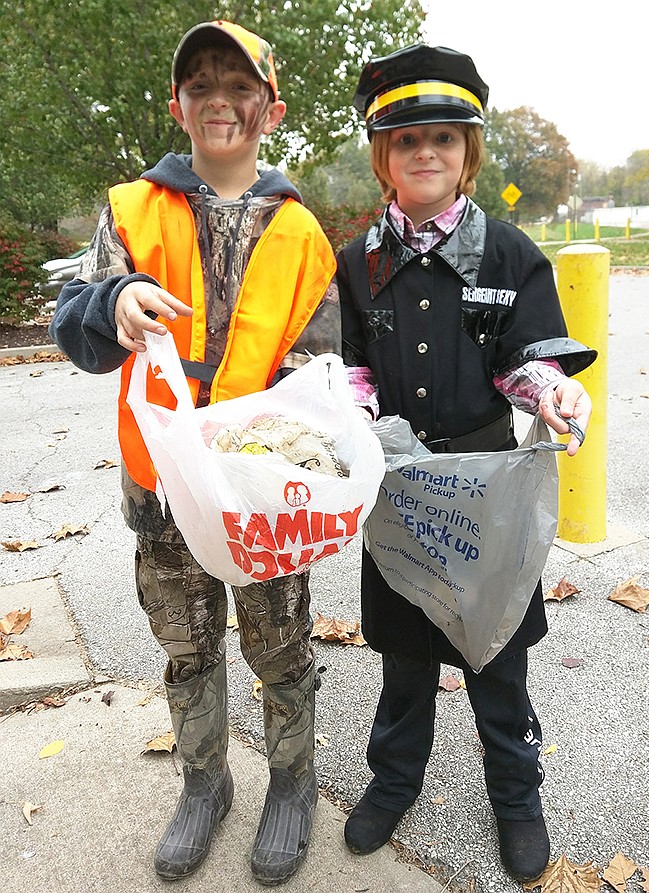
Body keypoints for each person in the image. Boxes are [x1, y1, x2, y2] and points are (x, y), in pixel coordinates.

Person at [49, 20, 340, 885]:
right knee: (187, 644)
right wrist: (116, 300)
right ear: (178, 104)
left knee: (280, 645)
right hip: (162, 490)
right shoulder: (131, 211)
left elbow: (319, 368)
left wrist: (295, 426)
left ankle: (293, 781)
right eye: (201, 83)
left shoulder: (301, 233)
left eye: (239, 85)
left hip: (262, 502)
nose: (220, 98)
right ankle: (204, 782)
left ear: (270, 108)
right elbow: (78, 322)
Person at [336, 43, 595, 882]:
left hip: (486, 498)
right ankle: (393, 780)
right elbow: (354, 369)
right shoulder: (357, 263)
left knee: (498, 661)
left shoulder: (511, 253)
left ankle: (517, 795)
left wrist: (549, 394)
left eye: (444, 137)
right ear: (384, 154)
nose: (426, 153)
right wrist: (350, 413)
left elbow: (525, 361)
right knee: (404, 658)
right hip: (399, 494)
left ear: (468, 151)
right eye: (407, 139)